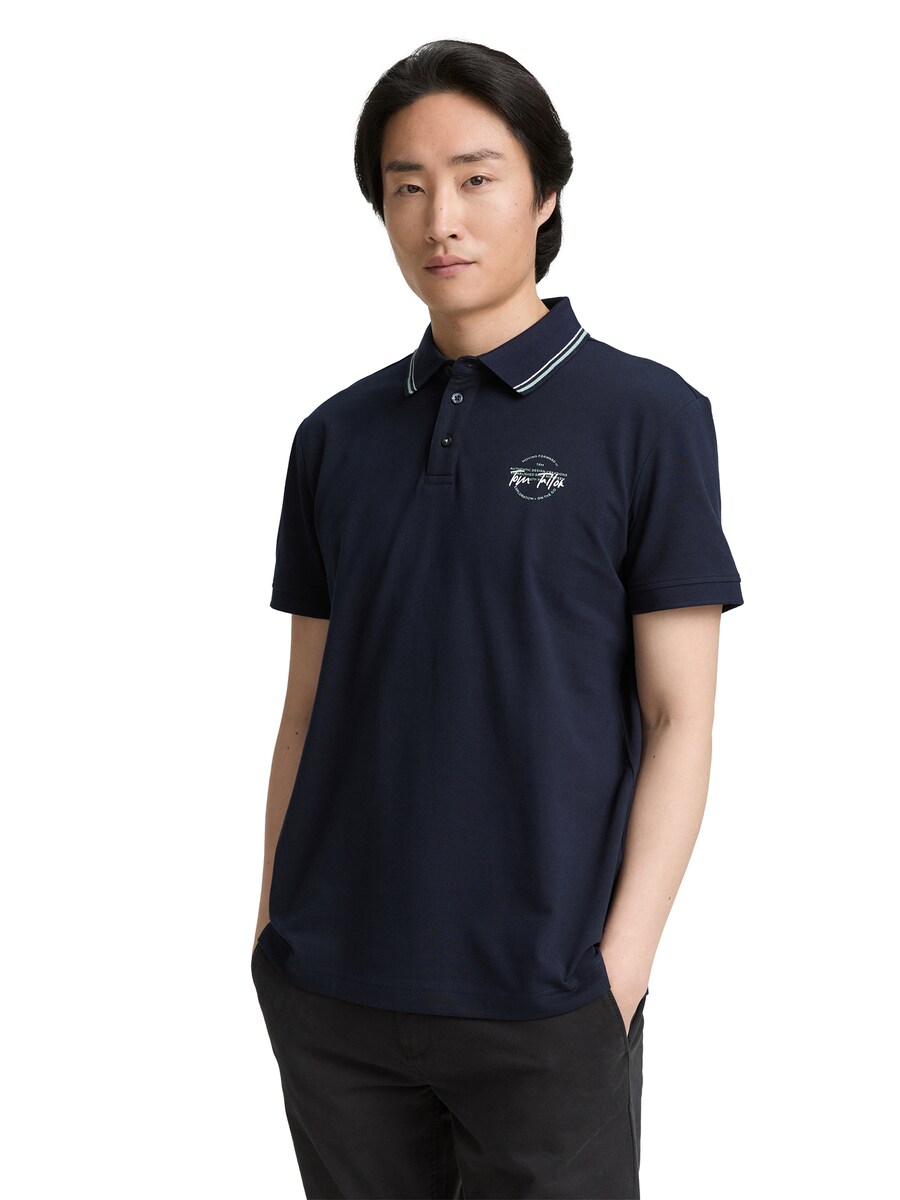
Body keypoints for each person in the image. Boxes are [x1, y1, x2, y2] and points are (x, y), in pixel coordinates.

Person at [250, 38, 744, 1200]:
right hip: (334, 995)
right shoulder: (334, 437)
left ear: (546, 190)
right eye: (406, 186)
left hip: (545, 1003)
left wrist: (614, 978)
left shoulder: (649, 417)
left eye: (477, 178)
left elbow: (680, 718)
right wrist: (275, 931)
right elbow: (308, 706)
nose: (441, 219)